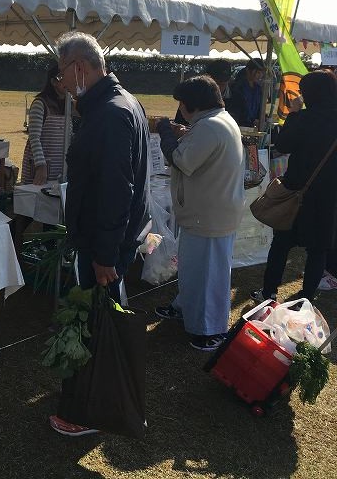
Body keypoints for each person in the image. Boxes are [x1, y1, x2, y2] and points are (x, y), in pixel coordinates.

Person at [49, 31, 150, 437]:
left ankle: (89, 410)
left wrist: (105, 253)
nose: (61, 84)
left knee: (93, 325)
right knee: (97, 320)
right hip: (110, 239)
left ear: (78, 67)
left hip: (105, 244)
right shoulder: (122, 102)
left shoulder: (110, 112)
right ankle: (94, 401)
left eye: (61, 74)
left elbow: (115, 190)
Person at [154, 76, 245, 351]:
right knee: (195, 269)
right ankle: (185, 306)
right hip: (211, 212)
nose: (180, 109)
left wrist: (165, 133)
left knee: (209, 275)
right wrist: (182, 133)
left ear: (192, 104)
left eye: (182, 103)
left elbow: (181, 159)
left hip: (208, 215)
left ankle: (210, 331)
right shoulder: (217, 121)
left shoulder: (211, 127)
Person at [251, 70, 337, 303]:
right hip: (328, 196)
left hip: (297, 191)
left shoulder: (304, 118)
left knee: (281, 243)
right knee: (318, 249)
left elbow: (284, 143)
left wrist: (295, 113)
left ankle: (269, 292)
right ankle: (306, 298)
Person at [21, 62, 71, 185]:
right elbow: (34, 137)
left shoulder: (69, 106)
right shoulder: (40, 104)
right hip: (39, 169)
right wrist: (41, 165)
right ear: (53, 82)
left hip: (60, 168)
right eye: (62, 78)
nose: (67, 82)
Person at [231, 58, 265, 127]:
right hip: (239, 126)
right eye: (258, 72)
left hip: (253, 127)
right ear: (248, 70)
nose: (260, 76)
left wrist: (260, 119)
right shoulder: (238, 87)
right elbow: (236, 111)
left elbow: (260, 108)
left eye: (261, 73)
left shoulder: (258, 89)